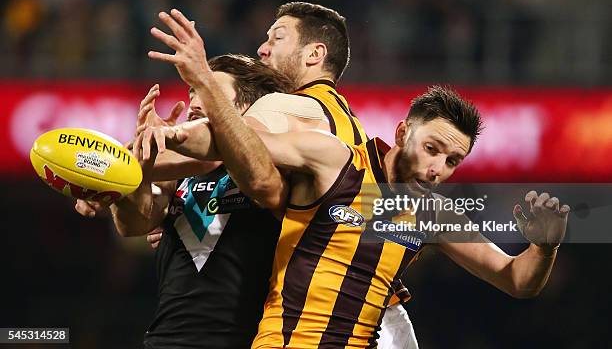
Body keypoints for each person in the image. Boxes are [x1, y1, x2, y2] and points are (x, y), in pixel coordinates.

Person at [136, 78, 570, 347]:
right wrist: (170, 136)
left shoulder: (433, 214)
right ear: (403, 132)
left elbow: (516, 279)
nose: (437, 169)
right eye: (431, 149)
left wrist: (545, 247)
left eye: (452, 161)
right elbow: (232, 146)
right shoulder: (336, 162)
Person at [144, 4, 419, 347]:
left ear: (314, 54)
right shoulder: (351, 129)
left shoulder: (288, 106)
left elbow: (220, 147)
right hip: (377, 316)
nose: (262, 49)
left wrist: (118, 168)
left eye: (277, 37)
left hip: (324, 326)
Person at [108, 54, 294, 349]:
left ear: (245, 109)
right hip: (164, 339)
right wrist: (134, 172)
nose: (193, 102)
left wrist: (167, 144)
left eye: (208, 92)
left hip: (244, 339)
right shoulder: (180, 170)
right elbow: (132, 225)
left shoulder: (272, 168)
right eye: (192, 91)